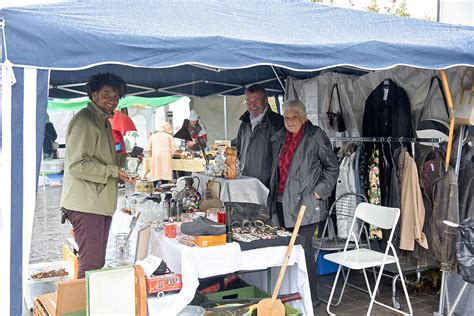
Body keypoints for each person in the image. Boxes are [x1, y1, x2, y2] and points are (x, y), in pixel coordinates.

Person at [60, 73, 135, 279]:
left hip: (98, 203)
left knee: (96, 261)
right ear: (94, 95)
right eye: (106, 94)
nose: (112, 100)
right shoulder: (85, 120)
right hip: (86, 204)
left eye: (116, 96)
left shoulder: (102, 122)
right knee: (91, 264)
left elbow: (102, 160)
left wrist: (124, 161)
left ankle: (88, 305)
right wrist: (113, 171)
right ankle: (83, 308)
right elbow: (77, 165)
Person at [267, 100, 340, 305]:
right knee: (286, 250)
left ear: (303, 117)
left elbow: (332, 168)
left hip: (306, 204)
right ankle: (291, 295)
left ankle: (311, 298)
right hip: (281, 202)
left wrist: (318, 193)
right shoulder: (282, 137)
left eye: (294, 117)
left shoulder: (315, 136)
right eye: (286, 117)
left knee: (303, 249)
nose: (289, 121)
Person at [235, 84, 284, 188]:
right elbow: (238, 150)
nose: (252, 105)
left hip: (266, 187)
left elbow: (282, 158)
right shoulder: (244, 123)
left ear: (266, 100)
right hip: (244, 183)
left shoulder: (277, 123)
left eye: (257, 100)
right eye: (248, 101)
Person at [147, 121, 176, 187]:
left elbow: (148, 148)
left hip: (156, 157)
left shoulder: (153, 136)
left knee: (155, 174)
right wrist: (171, 155)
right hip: (166, 157)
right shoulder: (169, 136)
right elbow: (173, 148)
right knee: (165, 176)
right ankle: (164, 192)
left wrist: (151, 155)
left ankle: (152, 192)